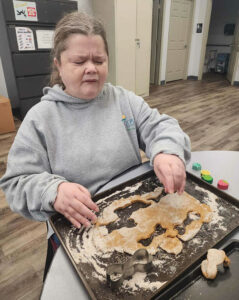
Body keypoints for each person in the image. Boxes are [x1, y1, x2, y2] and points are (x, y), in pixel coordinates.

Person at [0, 12, 190, 243]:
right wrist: (53, 191)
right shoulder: (40, 119)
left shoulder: (124, 101)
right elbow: (16, 183)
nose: (91, 68)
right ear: (59, 65)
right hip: (78, 226)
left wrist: (167, 151)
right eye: (79, 62)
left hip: (133, 214)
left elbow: (161, 126)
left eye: (99, 61)